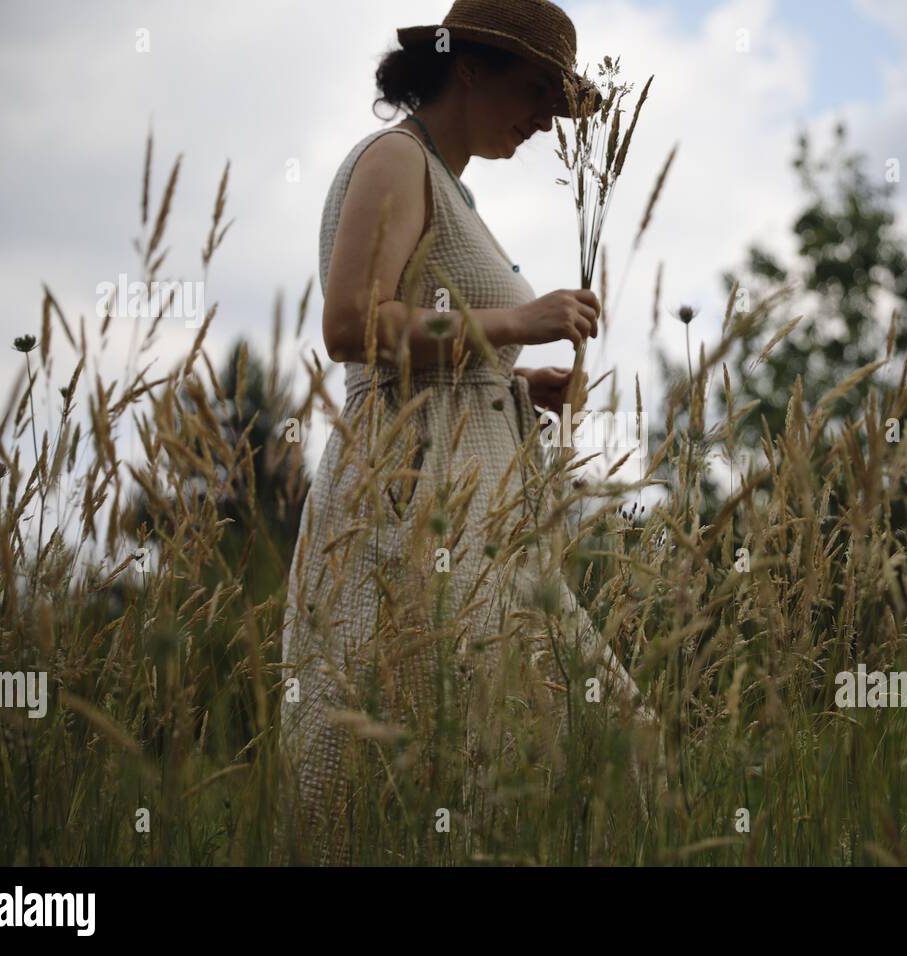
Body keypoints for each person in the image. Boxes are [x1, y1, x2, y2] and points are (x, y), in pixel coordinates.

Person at [276, 0, 660, 864]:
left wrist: (512, 382)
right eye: (537, 92)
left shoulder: (450, 186)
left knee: (574, 744)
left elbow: (425, 342)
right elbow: (352, 329)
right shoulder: (394, 159)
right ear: (473, 65)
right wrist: (518, 320)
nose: (544, 121)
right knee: (383, 772)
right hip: (405, 508)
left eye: (558, 108)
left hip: (470, 522)